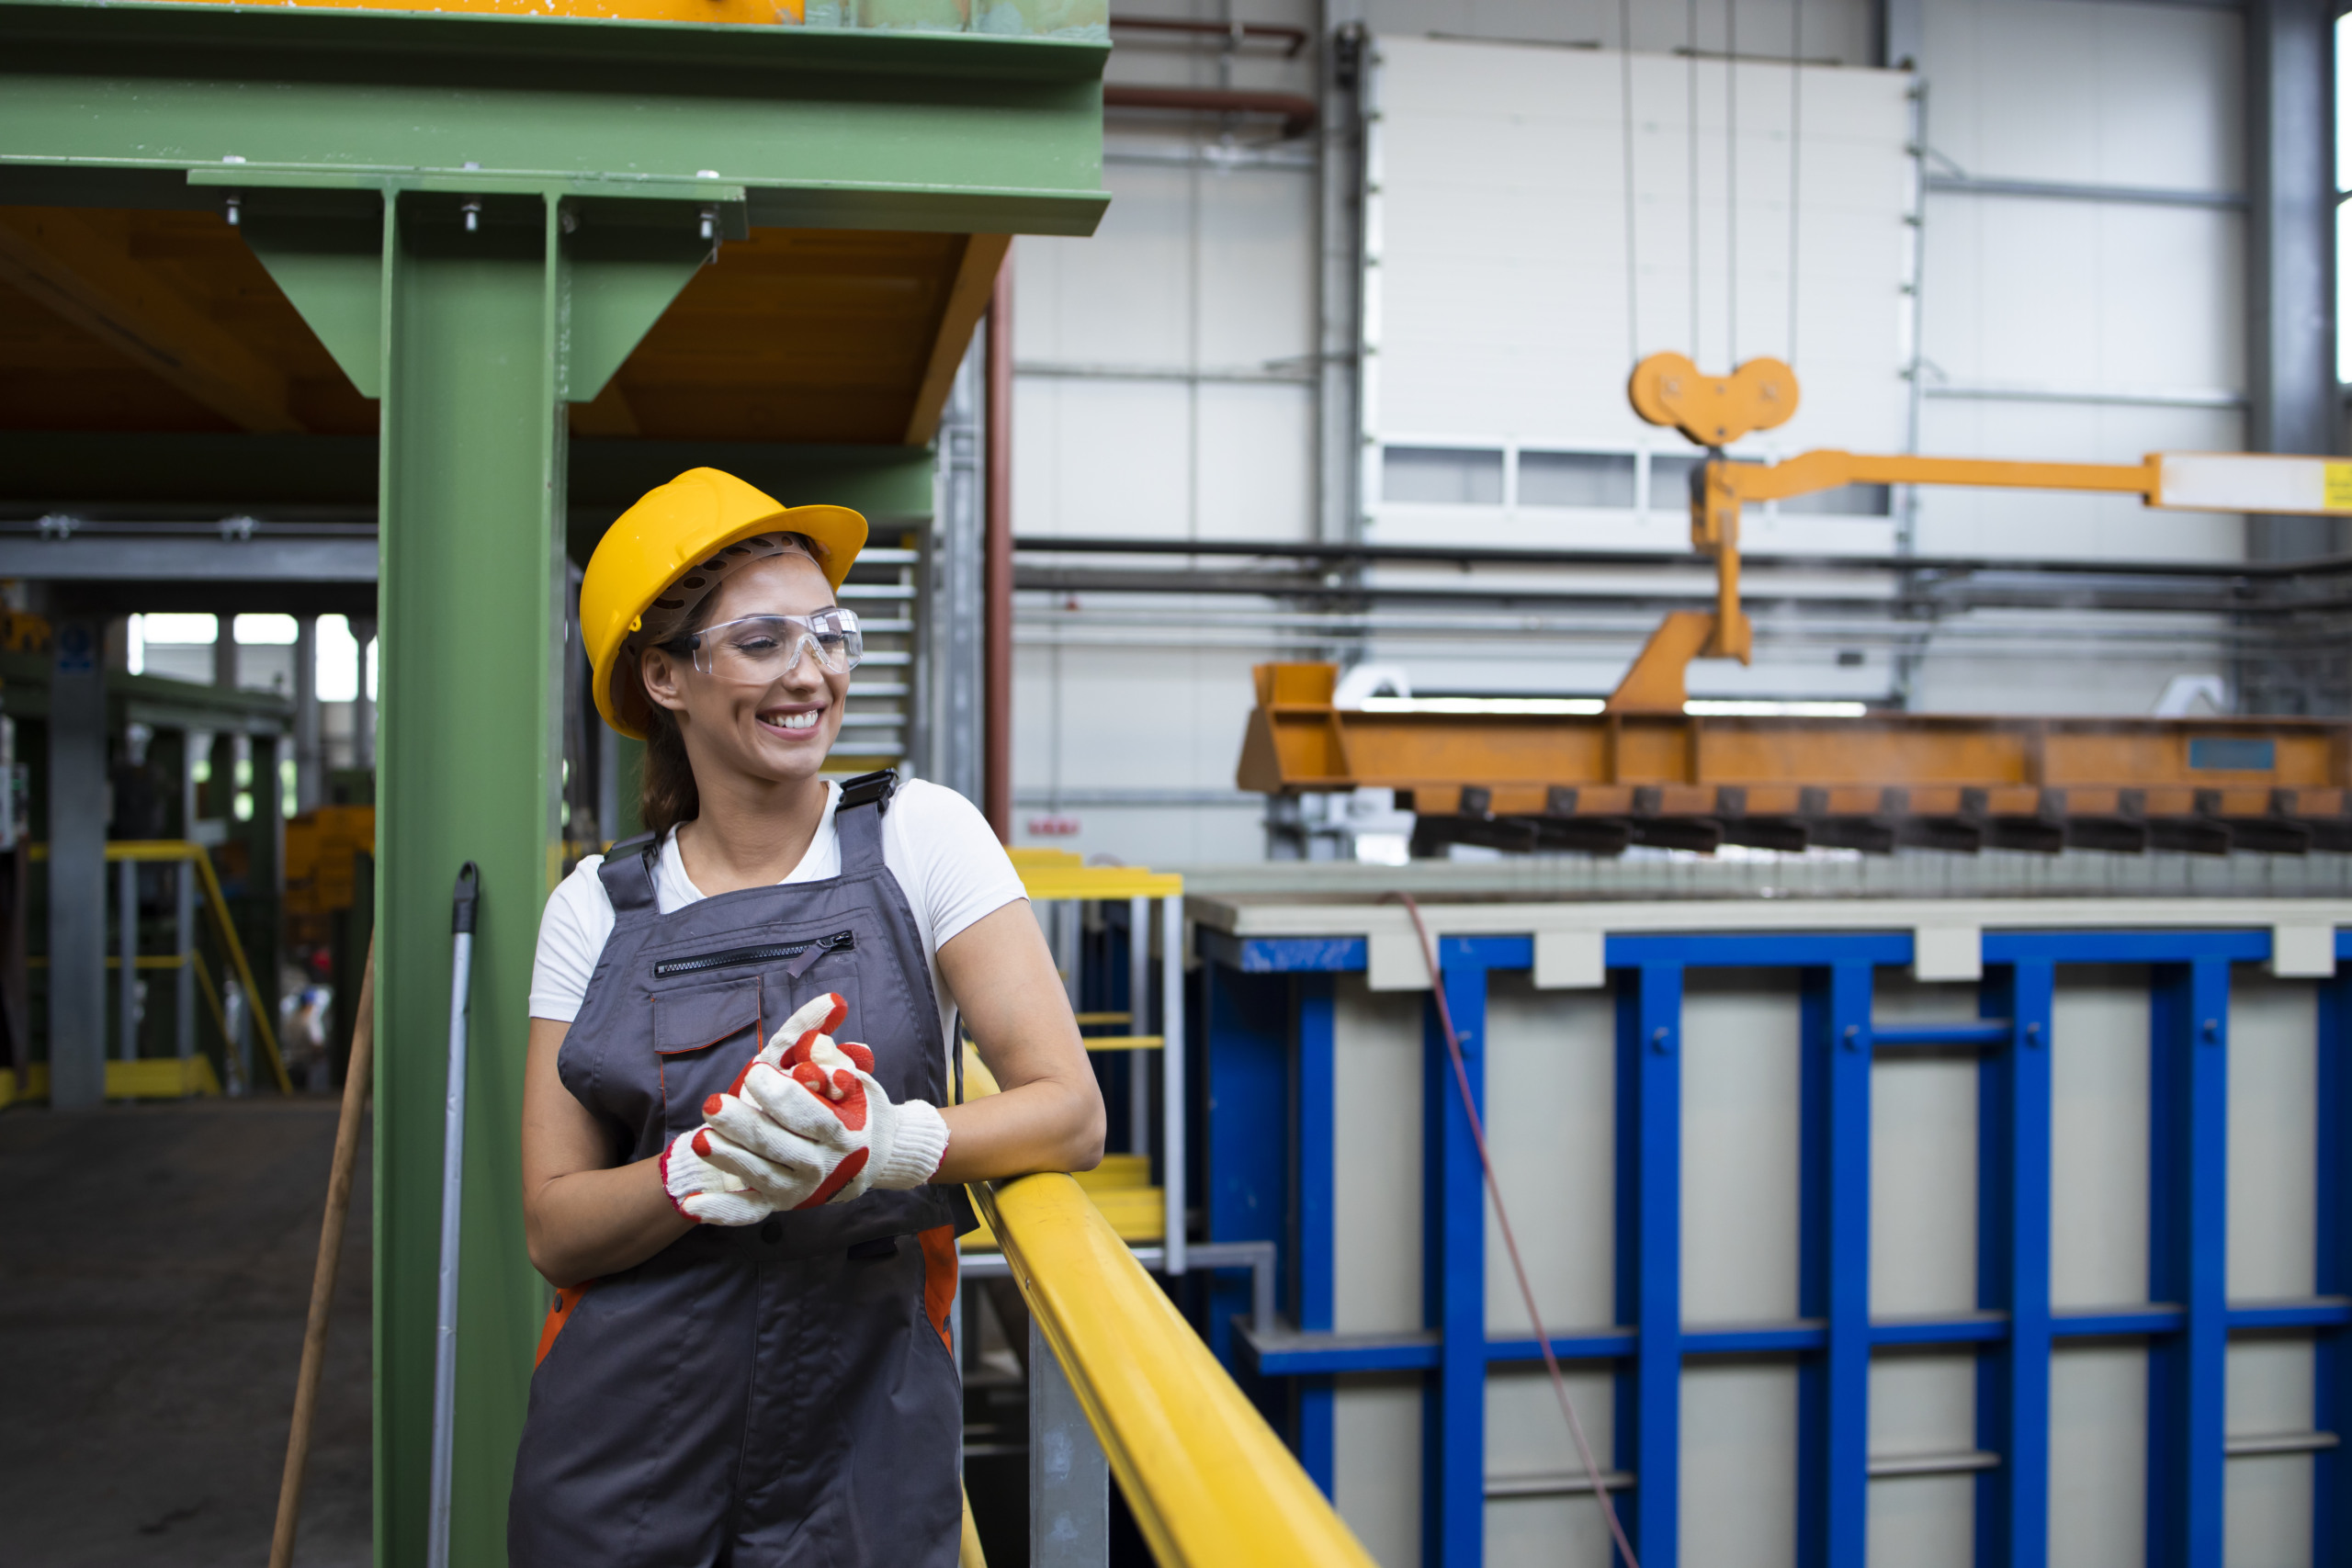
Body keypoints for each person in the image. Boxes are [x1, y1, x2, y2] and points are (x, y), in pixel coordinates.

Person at [510, 468, 1104, 1566]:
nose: (812, 671)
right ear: (664, 676)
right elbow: (554, 1227)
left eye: (830, 633)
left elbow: (1068, 1113)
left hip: (864, 1432)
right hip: (623, 1448)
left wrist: (887, 1147)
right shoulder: (593, 908)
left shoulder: (923, 837)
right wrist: (697, 1171)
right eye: (764, 639)